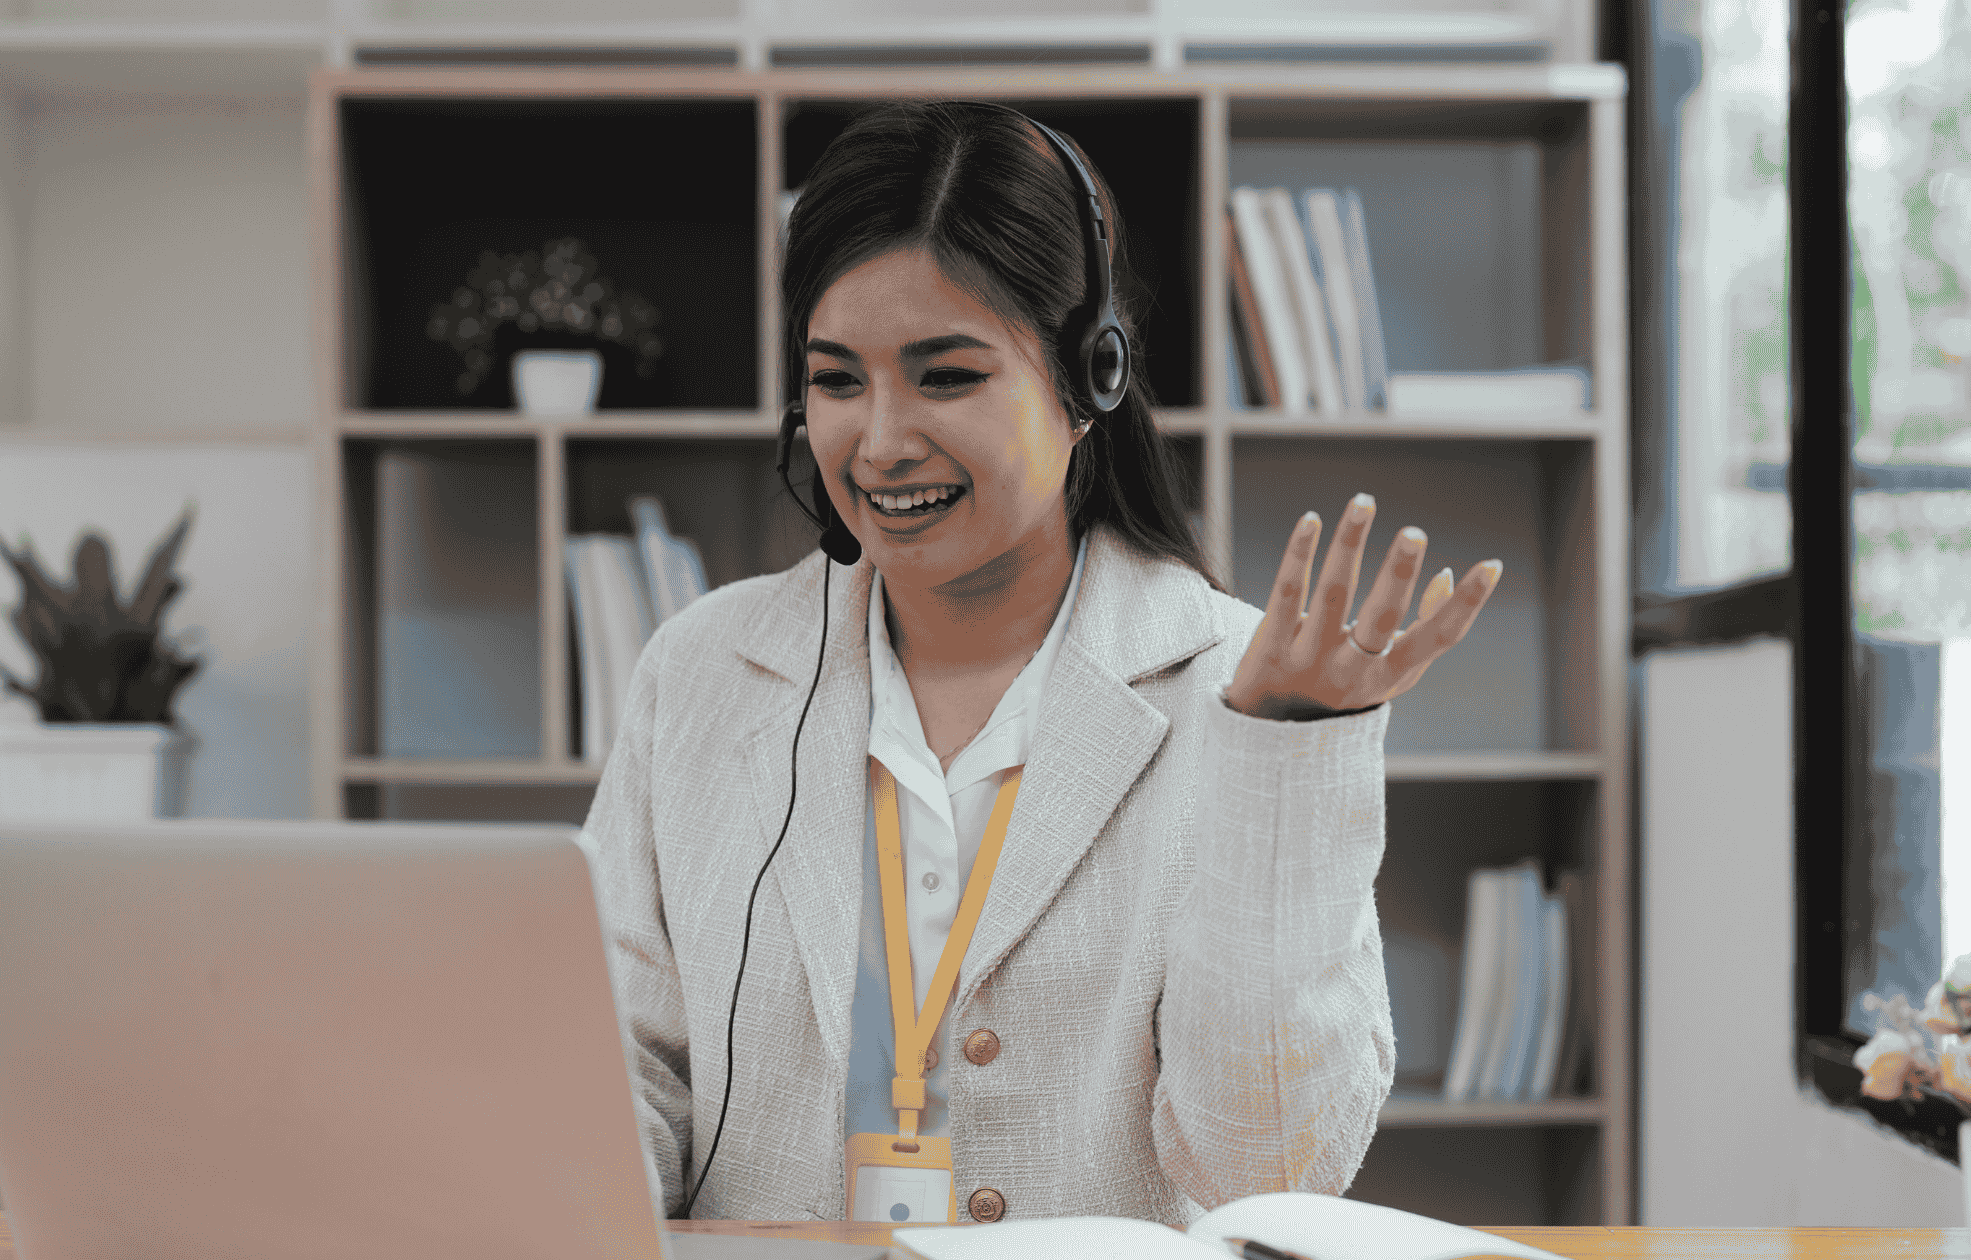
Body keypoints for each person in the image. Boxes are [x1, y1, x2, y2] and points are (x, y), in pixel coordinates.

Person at [580, 100, 1502, 1227]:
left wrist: (1282, 771)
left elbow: (1268, 1170)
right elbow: (619, 1065)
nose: (880, 442)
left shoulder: (1233, 684)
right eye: (837, 380)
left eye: (945, 376)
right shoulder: (702, 671)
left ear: (1087, 381)